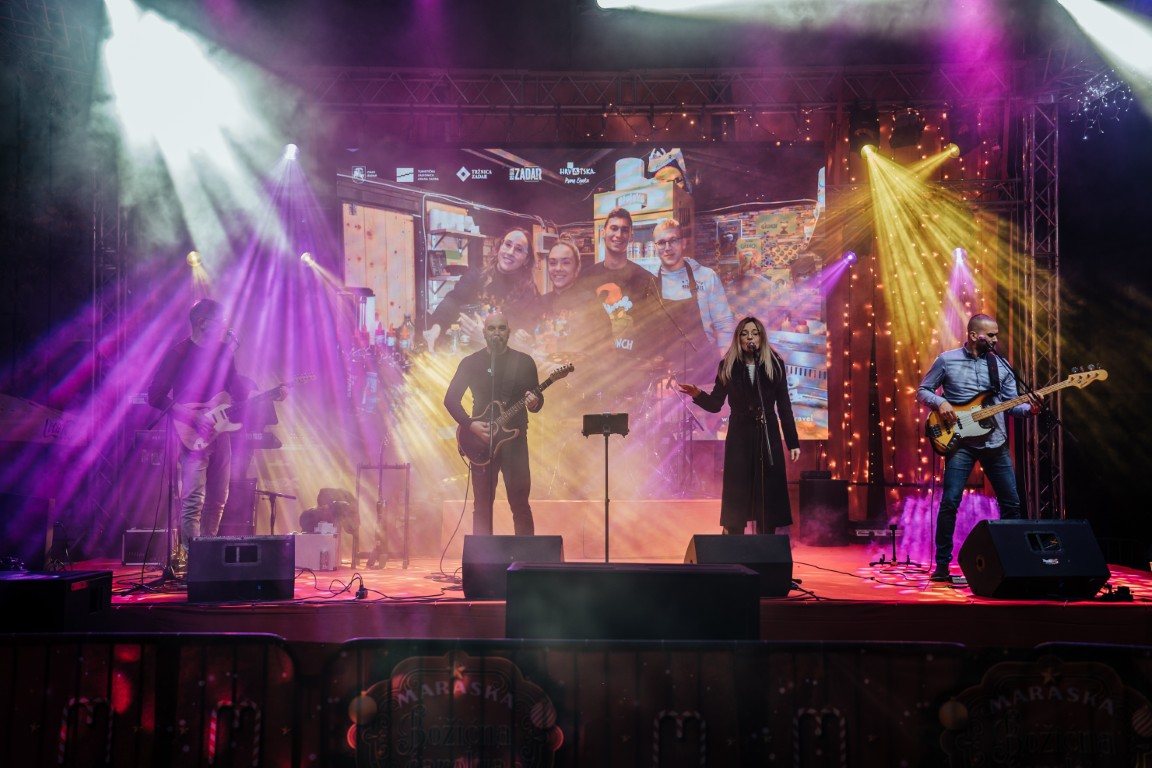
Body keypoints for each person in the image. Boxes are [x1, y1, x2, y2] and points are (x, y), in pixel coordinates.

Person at [147, 299, 284, 562]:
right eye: (219, 321)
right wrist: (191, 415)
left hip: (220, 433)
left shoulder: (223, 352)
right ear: (202, 323)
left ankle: (207, 555)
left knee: (219, 497)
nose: (224, 326)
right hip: (190, 433)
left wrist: (270, 395)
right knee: (193, 499)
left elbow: (237, 392)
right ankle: (193, 560)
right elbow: (155, 395)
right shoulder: (178, 353)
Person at [916, 313, 1043, 583]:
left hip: (995, 442)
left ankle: (1011, 564)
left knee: (1011, 504)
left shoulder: (1001, 366)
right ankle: (942, 565)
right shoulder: (947, 360)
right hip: (960, 443)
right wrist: (940, 403)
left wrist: (1029, 410)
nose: (996, 339)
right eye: (991, 335)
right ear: (974, 335)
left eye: (997, 334)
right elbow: (923, 390)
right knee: (950, 503)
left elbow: (1012, 405)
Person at [678, 317, 801, 535]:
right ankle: (734, 539)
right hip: (740, 434)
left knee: (768, 491)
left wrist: (792, 442)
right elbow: (715, 404)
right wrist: (697, 394)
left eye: (754, 333)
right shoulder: (728, 365)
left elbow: (784, 406)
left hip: (767, 432)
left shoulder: (774, 364)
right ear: (738, 338)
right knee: (738, 490)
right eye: (745, 333)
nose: (749, 337)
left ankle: (766, 543)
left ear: (761, 338)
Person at [444, 310, 543, 536]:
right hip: (482, 441)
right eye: (492, 328)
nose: (496, 333)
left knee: (520, 503)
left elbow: (537, 401)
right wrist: (470, 425)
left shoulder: (524, 362)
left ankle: (525, 556)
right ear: (484, 332)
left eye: (501, 328)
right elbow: (450, 399)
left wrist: (535, 402)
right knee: (482, 505)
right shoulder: (470, 363)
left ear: (508, 332)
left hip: (515, 443)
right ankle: (482, 556)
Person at [579, 207, 660, 399]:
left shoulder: (646, 279)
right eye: (614, 228)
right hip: (594, 375)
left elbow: (654, 327)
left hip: (632, 376)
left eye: (625, 230)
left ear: (631, 236)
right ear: (603, 233)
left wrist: (650, 361)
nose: (619, 234)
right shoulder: (585, 278)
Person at [425, 227, 540, 352]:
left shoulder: (529, 293)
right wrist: (436, 327)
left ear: (526, 259)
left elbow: (527, 340)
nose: (510, 252)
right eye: (508, 244)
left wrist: (487, 338)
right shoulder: (476, 276)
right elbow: (453, 300)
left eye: (519, 249)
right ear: (500, 247)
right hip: (468, 354)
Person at [651, 218, 735, 385]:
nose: (667, 247)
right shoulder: (650, 282)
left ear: (683, 243)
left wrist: (724, 368)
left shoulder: (706, 277)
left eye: (673, 240)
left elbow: (724, 325)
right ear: (655, 247)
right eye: (661, 242)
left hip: (704, 372)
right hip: (666, 377)